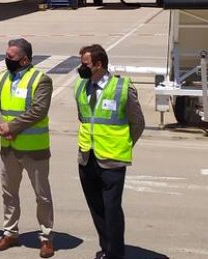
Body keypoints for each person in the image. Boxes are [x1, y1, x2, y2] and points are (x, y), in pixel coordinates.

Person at [75, 44, 145, 259]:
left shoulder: (122, 87)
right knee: (96, 207)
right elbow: (84, 118)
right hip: (87, 157)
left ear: (99, 64)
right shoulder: (81, 85)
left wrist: (124, 144)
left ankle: (115, 253)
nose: (81, 68)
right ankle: (106, 248)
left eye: (85, 64)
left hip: (113, 159)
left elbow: (138, 123)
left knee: (112, 208)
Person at [0, 38, 55, 258]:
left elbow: (39, 111)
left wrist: (12, 127)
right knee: (9, 193)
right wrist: (0, 125)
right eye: (6, 55)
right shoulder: (3, 77)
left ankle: (46, 237)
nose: (6, 60)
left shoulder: (41, 79)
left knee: (42, 196)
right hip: (8, 147)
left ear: (25, 60)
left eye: (11, 57)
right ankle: (10, 232)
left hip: (34, 149)